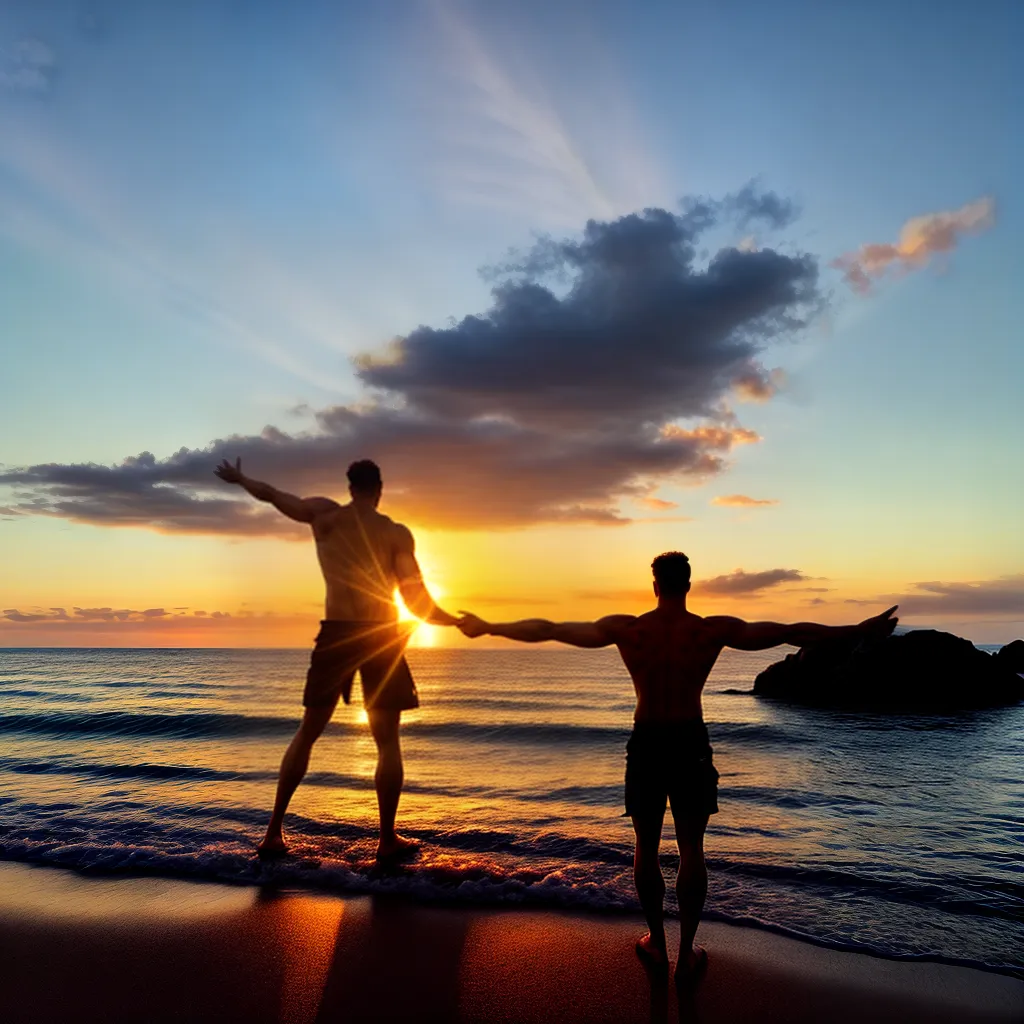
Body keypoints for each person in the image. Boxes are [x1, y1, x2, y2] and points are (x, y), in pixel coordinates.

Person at [457, 551, 898, 985]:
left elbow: (552, 629)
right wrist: (856, 630)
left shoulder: (628, 629)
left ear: (654, 586)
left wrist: (488, 625)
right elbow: (788, 632)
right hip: (690, 742)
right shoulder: (709, 631)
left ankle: (657, 942)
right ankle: (686, 955)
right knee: (692, 850)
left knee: (646, 847)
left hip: (647, 741)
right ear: (687, 585)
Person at [214, 456, 460, 862]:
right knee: (387, 741)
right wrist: (455, 620)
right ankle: (385, 841)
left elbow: (274, 496)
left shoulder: (324, 516)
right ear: (379, 489)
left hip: (337, 632)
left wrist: (240, 479)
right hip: (380, 635)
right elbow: (416, 601)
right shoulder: (395, 532)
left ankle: (273, 834)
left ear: (350, 488)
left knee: (308, 731)